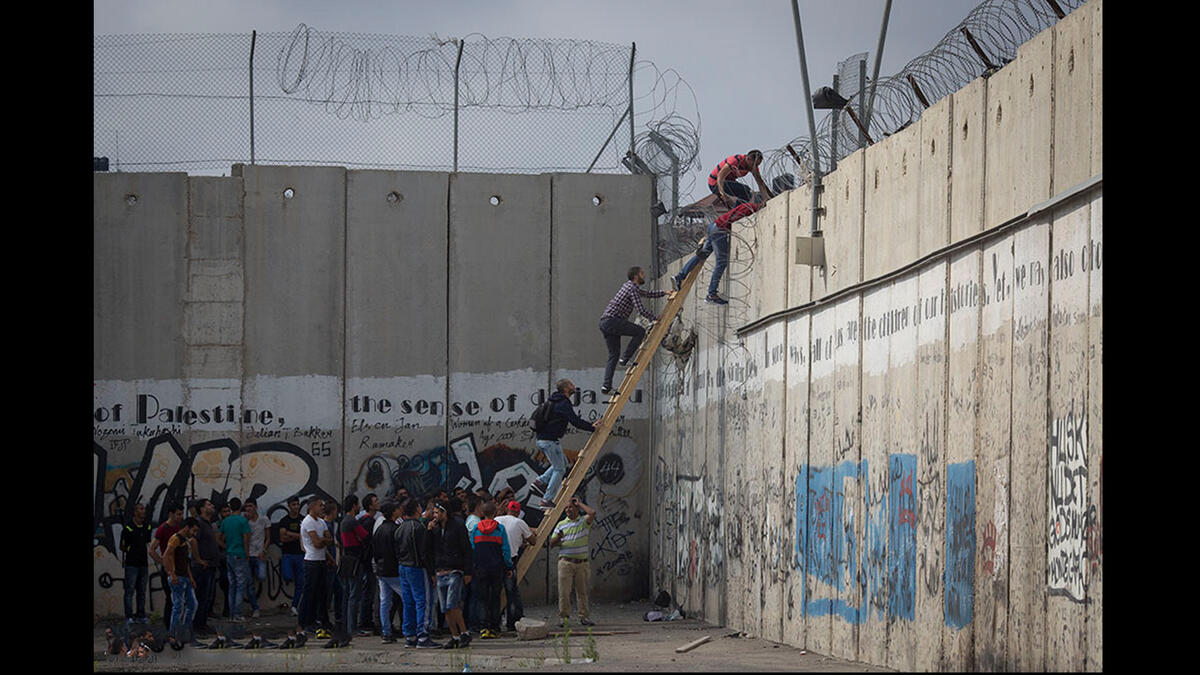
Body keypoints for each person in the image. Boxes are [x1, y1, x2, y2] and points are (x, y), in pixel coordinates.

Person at [598, 266, 676, 395]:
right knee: (640, 332)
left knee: (613, 355)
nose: (644, 276)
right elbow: (640, 309)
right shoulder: (632, 288)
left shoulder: (630, 287)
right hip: (612, 320)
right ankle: (625, 359)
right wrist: (655, 318)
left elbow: (647, 294)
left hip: (605, 322)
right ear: (636, 276)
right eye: (642, 274)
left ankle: (606, 387)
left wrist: (664, 292)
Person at [669, 200, 764, 305]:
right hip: (720, 230)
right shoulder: (751, 208)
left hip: (713, 226)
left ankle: (679, 276)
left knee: (701, 255)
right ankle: (711, 294)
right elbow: (734, 219)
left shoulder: (747, 205)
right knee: (721, 262)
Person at [529, 379, 595, 508]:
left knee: (562, 464)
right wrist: (592, 427)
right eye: (571, 384)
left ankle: (539, 482)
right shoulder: (563, 403)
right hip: (549, 441)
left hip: (547, 440)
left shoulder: (554, 400)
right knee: (559, 469)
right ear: (566, 389)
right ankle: (546, 500)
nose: (574, 386)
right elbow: (575, 421)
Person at [395, 498, 440, 648]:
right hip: (417, 568)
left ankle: (410, 635)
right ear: (416, 510)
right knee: (423, 601)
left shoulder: (400, 528)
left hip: (403, 566)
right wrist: (431, 572)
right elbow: (424, 552)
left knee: (408, 602)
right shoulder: (418, 527)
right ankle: (423, 635)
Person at [430, 498, 473, 649]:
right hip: (440, 571)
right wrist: (429, 531)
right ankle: (454, 636)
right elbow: (429, 550)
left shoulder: (457, 526)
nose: (434, 515)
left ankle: (464, 633)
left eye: (437, 513)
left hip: (455, 570)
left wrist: (468, 571)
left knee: (452, 604)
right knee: (445, 608)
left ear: (444, 513)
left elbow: (467, 549)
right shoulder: (434, 529)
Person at [548, 497, 597, 626]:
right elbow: (551, 544)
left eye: (570, 507)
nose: (568, 510)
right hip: (566, 563)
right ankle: (564, 618)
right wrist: (558, 537)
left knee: (582, 592)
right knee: (564, 592)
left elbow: (592, 513)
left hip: (582, 563)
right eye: (566, 508)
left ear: (576, 508)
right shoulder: (561, 524)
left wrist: (580, 503)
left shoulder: (583, 522)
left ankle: (584, 617)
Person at [468, 501, 513, 639]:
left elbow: (472, 548)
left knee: (482, 598)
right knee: (495, 598)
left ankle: (483, 627)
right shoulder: (499, 529)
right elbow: (505, 550)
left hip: (480, 569)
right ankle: (494, 627)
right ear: (495, 513)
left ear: (482, 513)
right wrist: (509, 566)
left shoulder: (476, 529)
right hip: (496, 569)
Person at [495, 500, 536, 632]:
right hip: (510, 561)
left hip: (494, 560)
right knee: (511, 593)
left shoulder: (496, 519)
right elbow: (533, 541)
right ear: (518, 513)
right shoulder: (519, 522)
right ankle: (512, 622)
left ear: (507, 509)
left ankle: (494, 623)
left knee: (495, 593)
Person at [337, 494, 372, 644]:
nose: (359, 508)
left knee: (348, 595)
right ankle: (353, 627)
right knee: (354, 595)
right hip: (354, 561)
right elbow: (365, 536)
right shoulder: (352, 521)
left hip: (346, 560)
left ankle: (348, 625)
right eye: (357, 505)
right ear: (353, 506)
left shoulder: (343, 521)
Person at [298, 497, 333, 639]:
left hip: (321, 561)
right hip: (311, 562)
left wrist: (324, 540)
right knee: (309, 594)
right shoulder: (308, 522)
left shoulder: (322, 522)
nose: (322, 508)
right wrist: (324, 540)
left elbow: (330, 540)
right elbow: (317, 543)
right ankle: (305, 622)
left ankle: (324, 621)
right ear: (312, 507)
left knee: (322, 594)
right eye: (320, 505)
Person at [372, 500, 405, 644]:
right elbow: (399, 551)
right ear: (393, 513)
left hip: (381, 569)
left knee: (384, 602)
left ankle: (386, 631)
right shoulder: (395, 529)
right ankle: (409, 629)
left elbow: (375, 551)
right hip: (393, 570)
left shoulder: (379, 529)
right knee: (407, 598)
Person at [164, 517, 201, 641]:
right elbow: (166, 556)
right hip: (178, 578)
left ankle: (185, 632)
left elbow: (185, 562)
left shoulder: (184, 541)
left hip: (184, 577)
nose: (194, 533)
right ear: (187, 527)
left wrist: (190, 577)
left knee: (192, 604)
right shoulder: (176, 539)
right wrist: (171, 574)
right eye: (193, 530)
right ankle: (173, 635)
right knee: (178, 606)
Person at [150, 503, 184, 629]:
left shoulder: (179, 527)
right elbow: (152, 549)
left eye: (181, 514)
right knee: (171, 599)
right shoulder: (163, 529)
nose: (180, 517)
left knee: (178, 599)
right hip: (169, 569)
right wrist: (162, 562)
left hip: (178, 567)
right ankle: (168, 626)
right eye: (178, 514)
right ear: (171, 514)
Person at [217, 497, 252, 622]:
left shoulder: (226, 521)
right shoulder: (243, 521)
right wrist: (247, 553)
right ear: (240, 506)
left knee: (232, 585)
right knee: (240, 585)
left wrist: (226, 547)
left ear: (230, 507)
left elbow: (218, 537)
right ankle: (237, 613)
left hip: (229, 554)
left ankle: (231, 614)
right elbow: (246, 538)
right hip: (240, 554)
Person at [190, 499, 221, 637]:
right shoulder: (199, 524)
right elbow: (193, 541)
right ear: (202, 509)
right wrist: (199, 560)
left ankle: (202, 624)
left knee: (207, 598)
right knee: (201, 597)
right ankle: (197, 626)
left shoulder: (208, 524)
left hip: (210, 566)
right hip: (202, 567)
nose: (212, 506)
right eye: (209, 504)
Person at [120, 502, 154, 625]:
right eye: (141, 509)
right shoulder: (128, 528)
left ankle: (141, 615)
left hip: (143, 563)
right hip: (131, 564)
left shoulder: (147, 526)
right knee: (129, 590)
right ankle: (129, 616)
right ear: (135, 512)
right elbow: (122, 545)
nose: (143, 511)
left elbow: (147, 541)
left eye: (144, 508)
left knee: (142, 591)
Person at [707, 149, 771, 207]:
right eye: (755, 164)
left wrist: (767, 197)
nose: (756, 167)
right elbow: (720, 176)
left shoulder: (753, 167)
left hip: (727, 182)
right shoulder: (735, 161)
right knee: (745, 190)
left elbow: (760, 183)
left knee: (747, 194)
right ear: (748, 159)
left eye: (758, 165)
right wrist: (722, 193)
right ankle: (735, 212)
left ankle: (736, 211)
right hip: (715, 183)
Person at [277, 496, 306, 616]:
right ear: (289, 506)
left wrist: (290, 534)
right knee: (287, 576)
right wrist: (298, 536)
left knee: (300, 583)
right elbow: (282, 538)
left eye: (297, 504)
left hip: (300, 554)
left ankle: (294, 606)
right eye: (293, 504)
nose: (296, 507)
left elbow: (305, 537)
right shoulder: (284, 521)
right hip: (287, 554)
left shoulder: (303, 520)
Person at [243, 498, 267, 618]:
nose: (248, 509)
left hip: (259, 554)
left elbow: (268, 537)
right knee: (249, 584)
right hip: (248, 555)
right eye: (246, 506)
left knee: (262, 576)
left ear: (256, 507)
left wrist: (264, 549)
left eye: (250, 506)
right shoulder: (245, 522)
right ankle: (255, 608)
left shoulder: (263, 520)